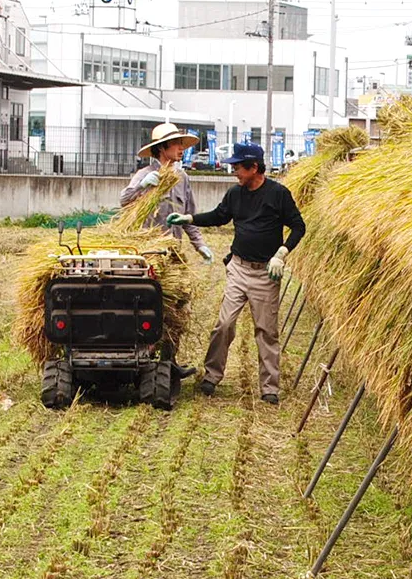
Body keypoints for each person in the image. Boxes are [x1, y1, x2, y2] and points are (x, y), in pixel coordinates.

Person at [168, 141, 305, 405]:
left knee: (266, 331)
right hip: (239, 269)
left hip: (265, 274)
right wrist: (189, 219)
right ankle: (211, 375)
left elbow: (299, 227)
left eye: (238, 167)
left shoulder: (278, 194)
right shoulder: (235, 193)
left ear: (254, 167)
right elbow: (220, 216)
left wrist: (282, 253)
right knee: (224, 324)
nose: (234, 172)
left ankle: (269, 387)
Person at [121, 123, 213, 263]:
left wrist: (200, 245)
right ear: (161, 147)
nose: (181, 148)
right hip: (149, 253)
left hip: (173, 251)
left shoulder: (182, 178)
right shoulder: (145, 174)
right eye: (176, 143)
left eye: (181, 143)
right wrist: (141, 186)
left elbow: (188, 218)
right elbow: (124, 201)